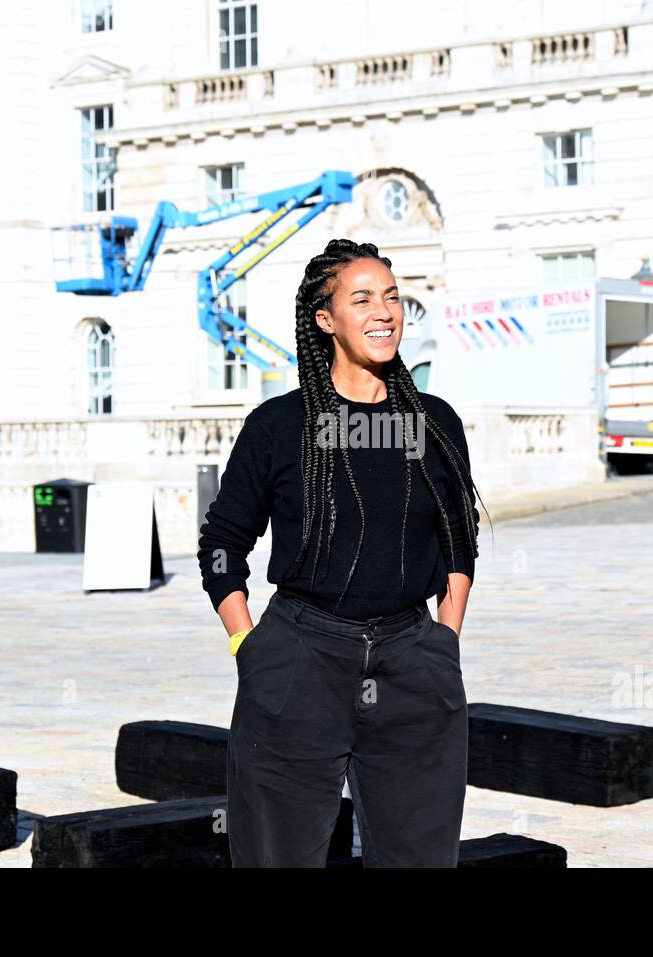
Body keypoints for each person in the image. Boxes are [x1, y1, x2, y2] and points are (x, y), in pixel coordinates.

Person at [198, 238, 487, 867]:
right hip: (300, 657)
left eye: (391, 297)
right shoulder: (279, 425)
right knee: (279, 857)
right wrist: (247, 643)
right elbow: (221, 543)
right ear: (325, 320)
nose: (384, 310)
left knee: (421, 858)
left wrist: (446, 639)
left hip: (414, 661)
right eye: (362, 299)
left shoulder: (434, 423)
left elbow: (459, 544)